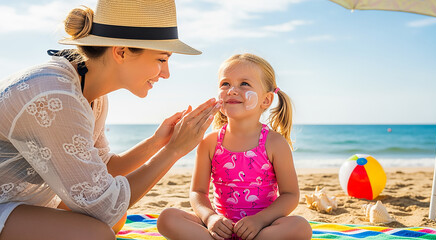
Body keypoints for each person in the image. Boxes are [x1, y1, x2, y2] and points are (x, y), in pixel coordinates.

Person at [0, 0, 220, 239]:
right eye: (162, 59)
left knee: (111, 221)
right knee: (97, 233)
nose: (166, 74)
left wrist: (158, 143)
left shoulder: (92, 94)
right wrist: (175, 150)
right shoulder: (55, 96)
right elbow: (105, 209)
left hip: (20, 201)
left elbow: (105, 168)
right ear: (121, 52)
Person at [157, 53, 312, 240]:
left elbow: (290, 195)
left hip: (260, 230)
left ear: (266, 100)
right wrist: (210, 217)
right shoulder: (209, 142)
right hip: (220, 229)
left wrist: (260, 220)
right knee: (167, 218)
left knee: (300, 227)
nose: (231, 90)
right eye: (225, 84)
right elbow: (197, 192)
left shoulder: (275, 143)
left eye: (244, 84)